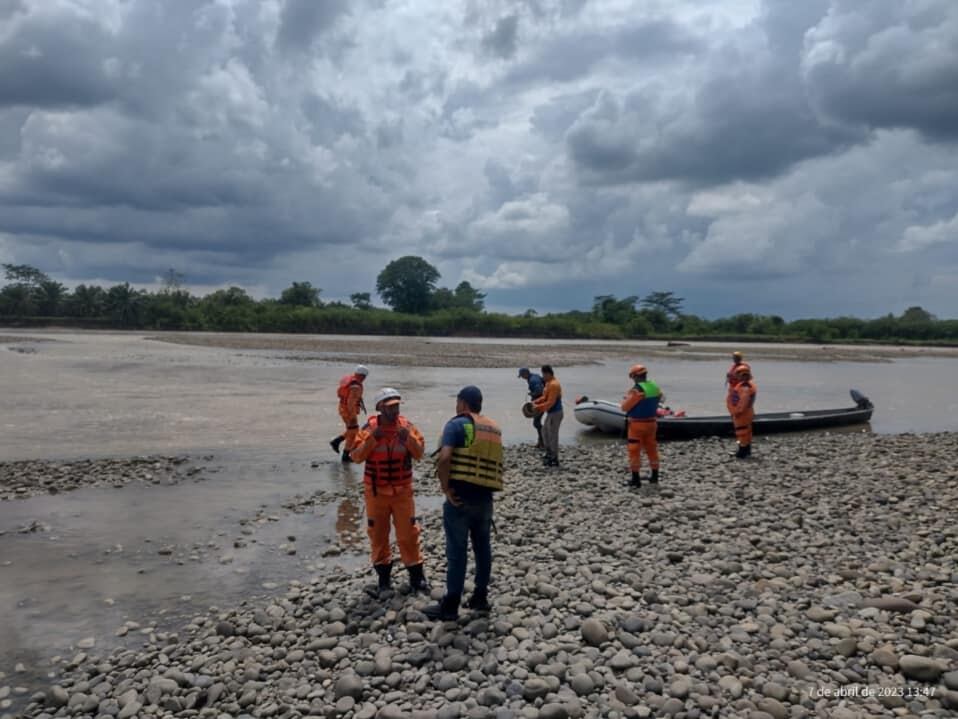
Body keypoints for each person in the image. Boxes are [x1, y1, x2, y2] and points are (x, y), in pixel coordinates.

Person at [424, 385, 503, 622]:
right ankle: (480, 597)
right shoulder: (493, 428)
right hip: (485, 499)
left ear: (463, 403)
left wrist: (445, 488)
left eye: (457, 402)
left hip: (460, 499)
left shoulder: (456, 424)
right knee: (482, 549)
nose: (456, 406)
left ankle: (450, 606)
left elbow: (445, 458)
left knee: (457, 552)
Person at [349, 387, 430, 596]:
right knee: (378, 535)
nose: (395, 411)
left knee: (409, 534)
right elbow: (355, 456)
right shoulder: (369, 429)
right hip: (376, 493)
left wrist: (408, 439)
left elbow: (420, 453)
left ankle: (417, 578)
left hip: (402, 492)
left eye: (397, 406)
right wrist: (372, 439)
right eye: (390, 407)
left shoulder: (407, 427)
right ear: (380, 408)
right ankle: (383, 580)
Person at [620, 364, 663, 488]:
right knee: (652, 449)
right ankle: (654, 477)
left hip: (637, 425)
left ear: (634, 376)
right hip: (652, 424)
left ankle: (635, 480)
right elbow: (661, 398)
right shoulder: (655, 387)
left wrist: (626, 399)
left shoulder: (636, 391)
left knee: (634, 451)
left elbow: (625, 407)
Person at [331, 364, 369, 462]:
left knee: (352, 431)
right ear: (362, 376)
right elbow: (351, 402)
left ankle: (344, 452)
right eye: (364, 377)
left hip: (343, 408)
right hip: (348, 411)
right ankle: (340, 446)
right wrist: (352, 416)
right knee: (353, 431)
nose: (364, 379)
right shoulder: (355, 386)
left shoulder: (350, 381)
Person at [533, 365, 563, 466]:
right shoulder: (548, 383)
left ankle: (554, 457)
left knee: (552, 435)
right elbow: (545, 397)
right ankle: (549, 452)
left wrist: (538, 407)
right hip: (550, 413)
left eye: (543, 374)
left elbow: (550, 402)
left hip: (556, 413)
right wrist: (536, 402)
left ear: (548, 374)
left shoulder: (554, 384)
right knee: (544, 431)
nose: (543, 377)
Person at [727, 363, 757, 459]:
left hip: (742, 414)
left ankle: (742, 452)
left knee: (742, 432)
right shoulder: (744, 385)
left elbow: (742, 403)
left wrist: (736, 412)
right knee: (746, 432)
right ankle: (746, 451)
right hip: (746, 412)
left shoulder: (745, 388)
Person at [517, 367, 545, 448]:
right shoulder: (534, 376)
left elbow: (540, 390)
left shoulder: (533, 380)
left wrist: (532, 394)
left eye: (522, 376)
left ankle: (542, 441)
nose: (522, 378)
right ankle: (541, 441)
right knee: (537, 422)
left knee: (536, 423)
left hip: (540, 403)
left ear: (525, 374)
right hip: (540, 402)